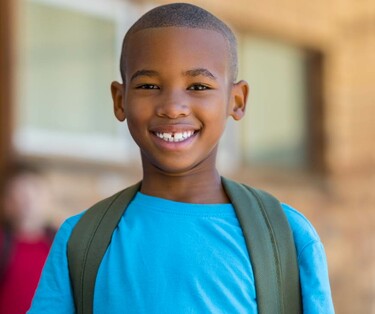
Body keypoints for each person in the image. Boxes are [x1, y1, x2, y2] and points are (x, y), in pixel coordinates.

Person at [29, 3, 334, 313]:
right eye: (149, 86)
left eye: (198, 86)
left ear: (236, 100)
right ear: (120, 101)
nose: (173, 107)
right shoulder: (82, 239)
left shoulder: (285, 236)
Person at [0, 162, 54, 314]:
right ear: (7, 203)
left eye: (35, 192)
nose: (29, 201)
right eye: (21, 194)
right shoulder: (4, 242)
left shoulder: (61, 244)